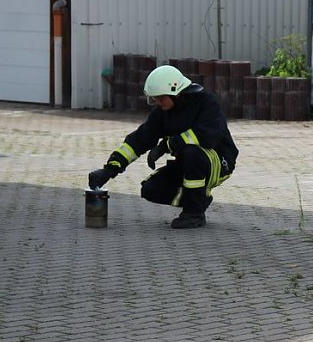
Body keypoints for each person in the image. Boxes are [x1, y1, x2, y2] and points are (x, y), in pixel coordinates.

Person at [88, 64, 238, 229]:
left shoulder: (206, 102)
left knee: (191, 151)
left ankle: (194, 213)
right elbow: (139, 140)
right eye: (154, 99)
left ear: (176, 92)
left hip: (219, 161)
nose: (157, 102)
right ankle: (198, 199)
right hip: (189, 163)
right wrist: (109, 169)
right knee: (151, 189)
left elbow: (205, 136)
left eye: (160, 98)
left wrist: (166, 145)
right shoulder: (163, 112)